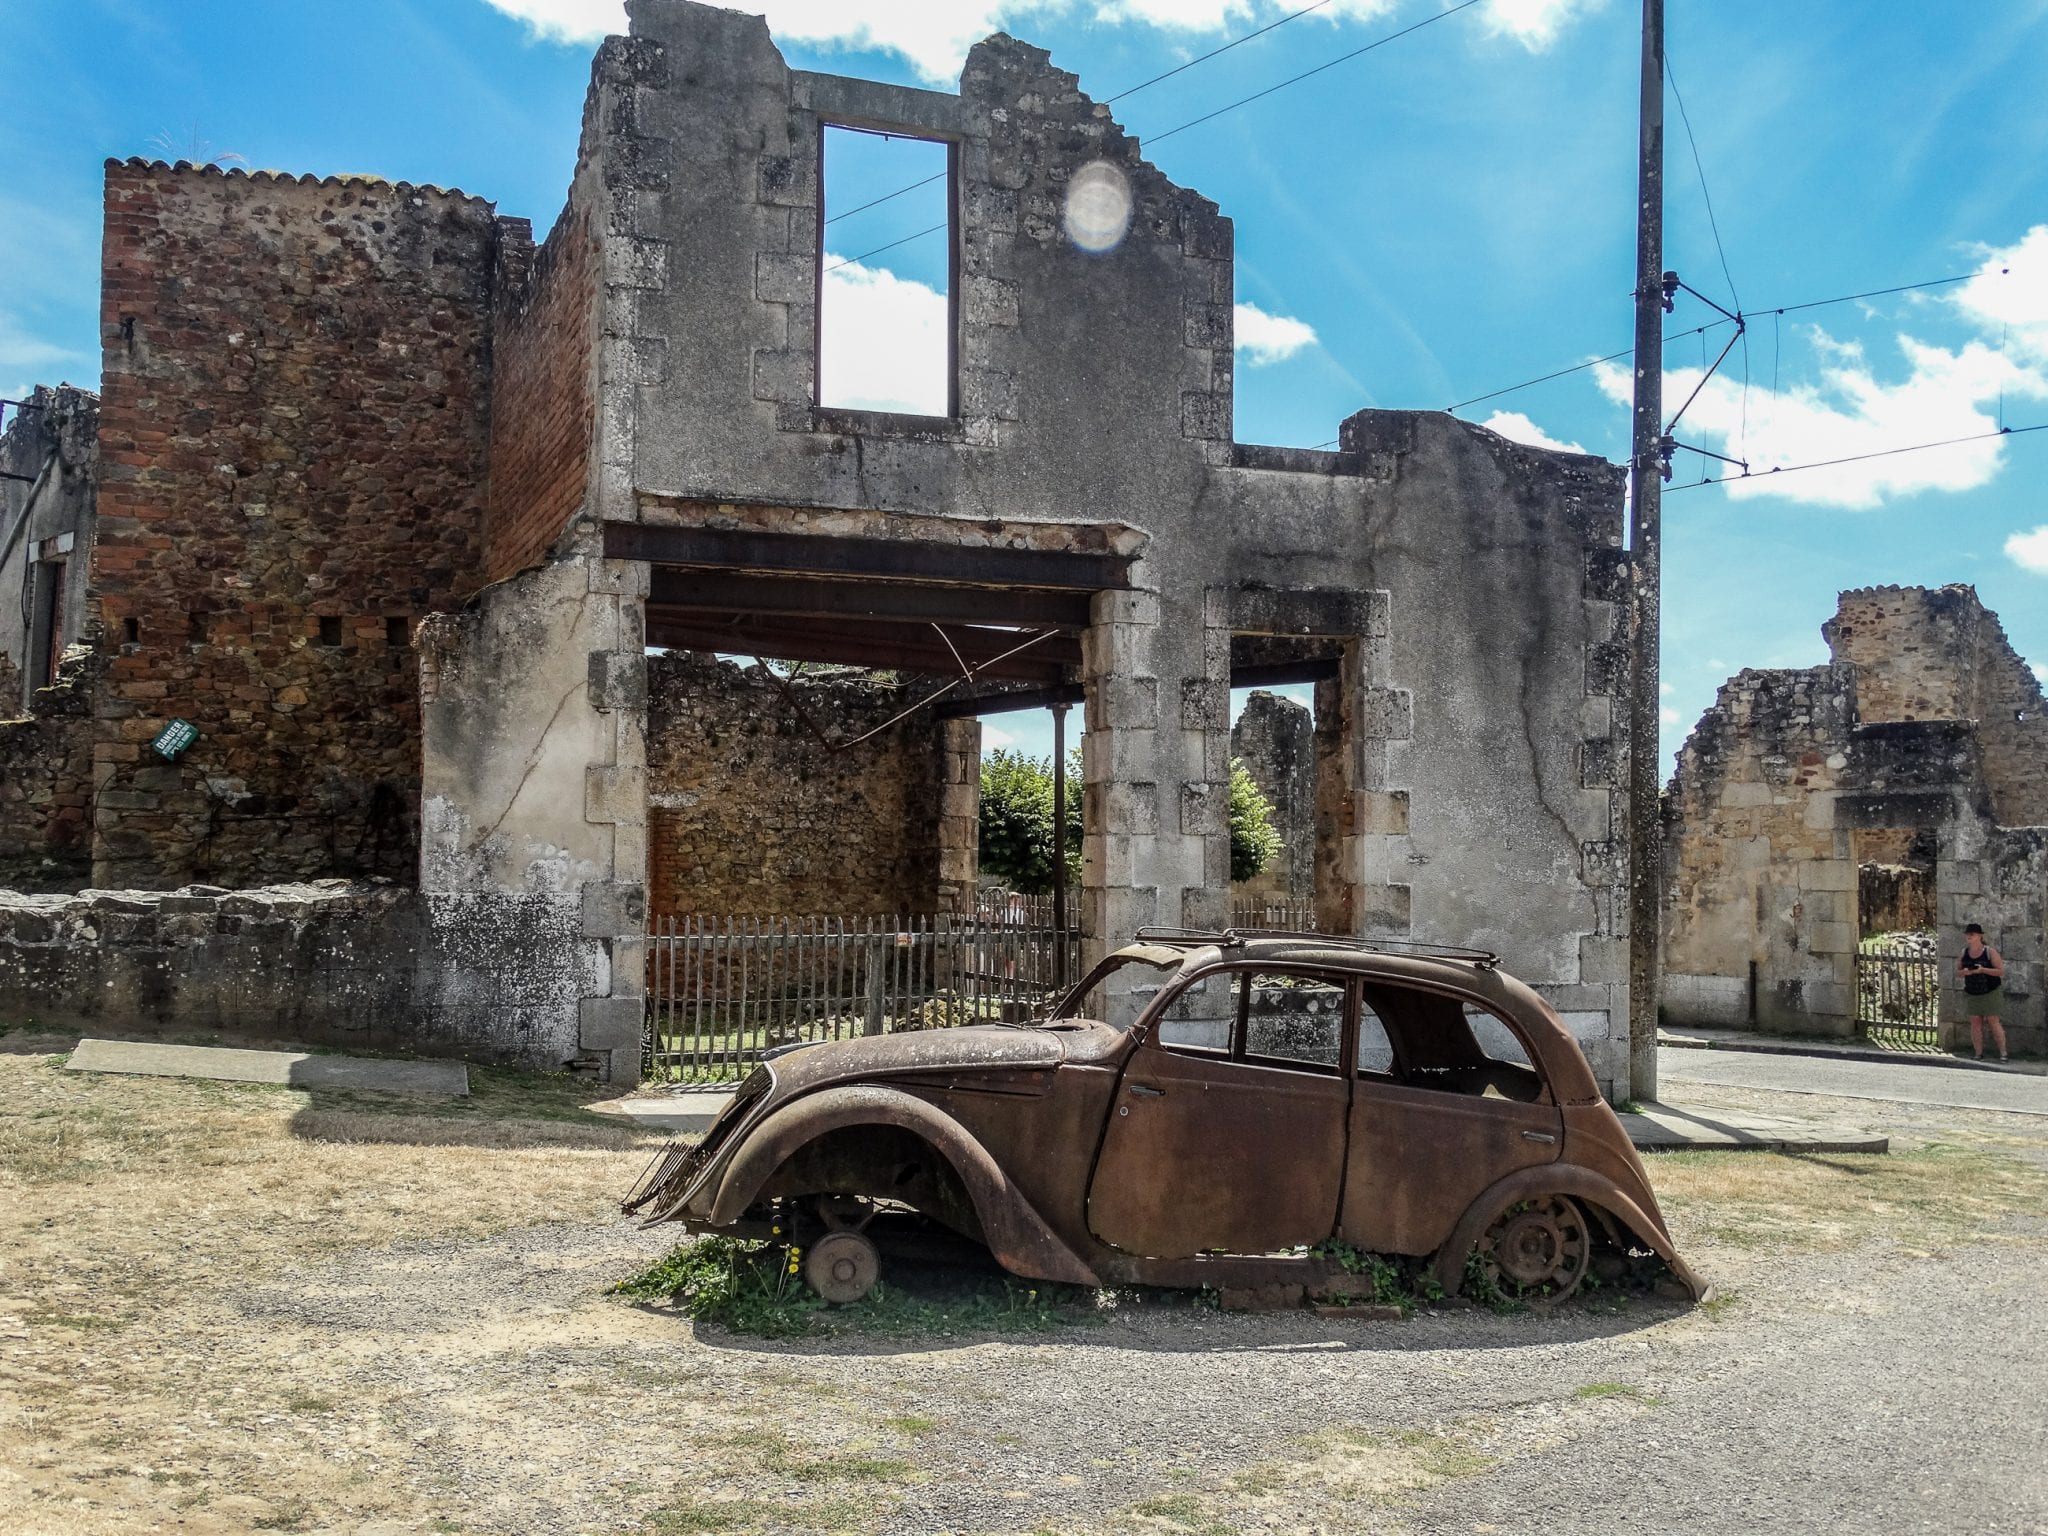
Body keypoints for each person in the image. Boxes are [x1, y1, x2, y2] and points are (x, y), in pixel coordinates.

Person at [1956, 923, 2007, 1063]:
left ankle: (2003, 1053)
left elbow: (2000, 971)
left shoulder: (1990, 952)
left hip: (1990, 992)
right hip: (1973, 992)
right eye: (1967, 934)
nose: (1969, 937)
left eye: (1972, 934)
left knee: (1993, 1021)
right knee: (1975, 1023)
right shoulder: (1964, 953)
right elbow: (1958, 972)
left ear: (1980, 936)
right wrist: (1965, 972)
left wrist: (1983, 970)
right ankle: (1978, 1053)